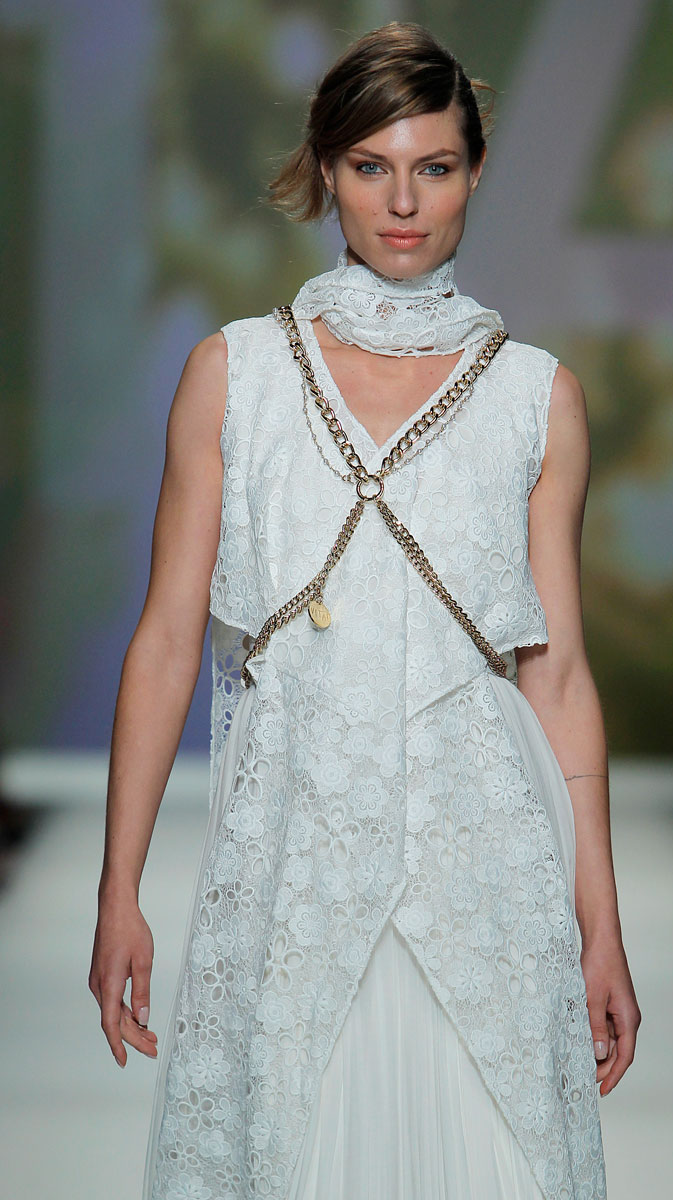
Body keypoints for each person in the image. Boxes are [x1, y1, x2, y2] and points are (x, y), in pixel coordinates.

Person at [89, 20, 641, 1200]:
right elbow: (168, 641)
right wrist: (116, 889)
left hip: (486, 872)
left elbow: (555, 674)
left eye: (432, 167)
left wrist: (598, 922)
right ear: (325, 169)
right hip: (288, 862)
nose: (401, 202)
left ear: (474, 172)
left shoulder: (535, 398)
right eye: (369, 166)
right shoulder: (235, 375)